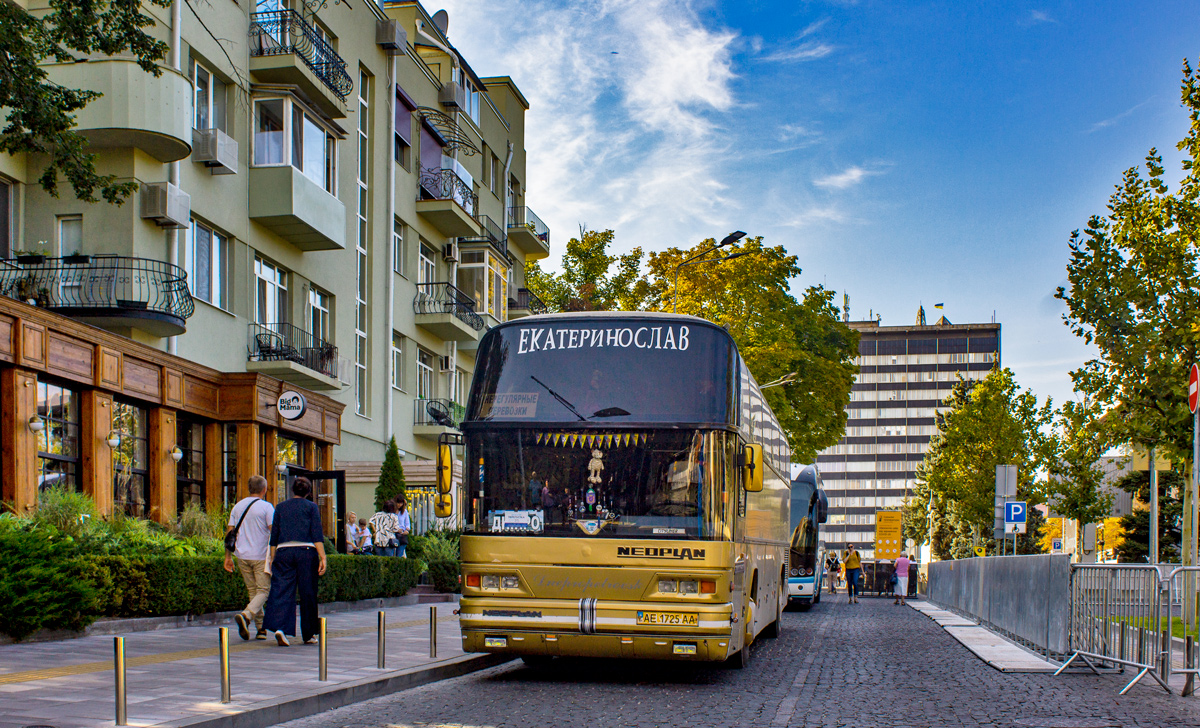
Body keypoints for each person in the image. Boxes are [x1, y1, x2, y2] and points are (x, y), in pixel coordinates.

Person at [263, 477, 327, 646]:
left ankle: (280, 628)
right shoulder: (311, 507)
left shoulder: (281, 507)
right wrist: (323, 557)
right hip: (306, 551)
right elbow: (316, 534)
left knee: (282, 589)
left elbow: (274, 536)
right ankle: (308, 634)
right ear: (308, 492)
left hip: (283, 551)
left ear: (292, 490)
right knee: (308, 592)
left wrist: (271, 557)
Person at [224, 475, 275, 641]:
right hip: (260, 555)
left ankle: (260, 629)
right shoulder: (266, 507)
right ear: (264, 489)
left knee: (253, 591)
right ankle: (247, 615)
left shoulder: (237, 507)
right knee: (263, 591)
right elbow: (273, 531)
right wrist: (274, 554)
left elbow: (229, 533)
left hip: (241, 555)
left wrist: (228, 556)